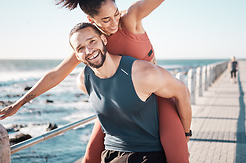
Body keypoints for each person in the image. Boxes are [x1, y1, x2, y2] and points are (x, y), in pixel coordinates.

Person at [0, 0, 218, 162]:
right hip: (122, 104)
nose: (114, 22)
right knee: (89, 157)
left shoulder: (130, 18)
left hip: (156, 98)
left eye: (115, 13)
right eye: (106, 19)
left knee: (178, 157)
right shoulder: (93, 40)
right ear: (91, 19)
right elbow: (56, 74)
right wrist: (20, 103)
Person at [69, 22, 192, 162]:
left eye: (92, 41)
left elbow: (182, 90)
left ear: (103, 39)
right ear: (77, 56)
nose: (89, 50)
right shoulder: (83, 81)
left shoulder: (143, 74)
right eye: (81, 48)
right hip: (111, 154)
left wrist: (186, 132)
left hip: (147, 154)